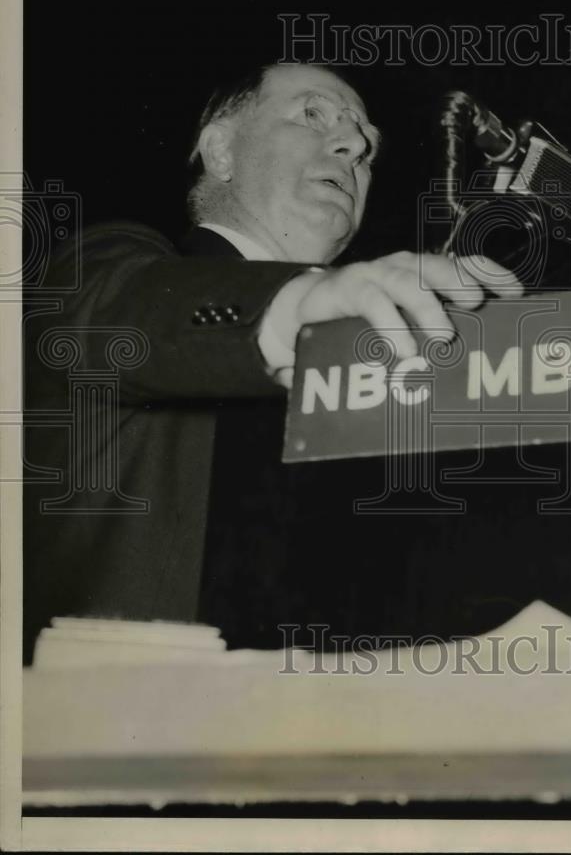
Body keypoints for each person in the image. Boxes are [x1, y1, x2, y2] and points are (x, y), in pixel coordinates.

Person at [23, 62, 520, 661]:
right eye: (313, 115)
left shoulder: (378, 336)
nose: (355, 145)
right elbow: (120, 310)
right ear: (222, 151)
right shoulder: (112, 264)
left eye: (366, 146)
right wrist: (296, 302)